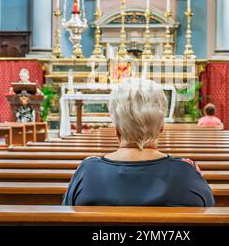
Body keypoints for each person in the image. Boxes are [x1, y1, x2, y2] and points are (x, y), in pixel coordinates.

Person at [63, 78, 214, 207]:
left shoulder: (87, 172)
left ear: (117, 129)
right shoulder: (187, 172)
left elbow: (66, 218)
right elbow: (209, 213)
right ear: (161, 127)